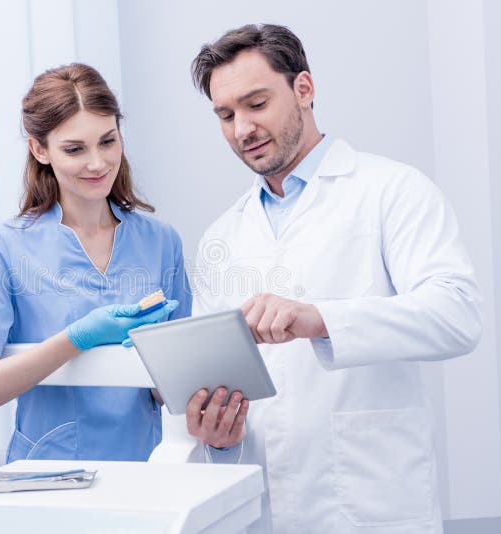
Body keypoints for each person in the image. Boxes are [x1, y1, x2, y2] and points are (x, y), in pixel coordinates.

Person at [184, 24, 482, 533]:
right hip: (264, 507)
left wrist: (319, 318)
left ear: (304, 89)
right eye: (226, 114)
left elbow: (457, 315)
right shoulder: (223, 234)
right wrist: (213, 431)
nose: (242, 129)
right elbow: (211, 371)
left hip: (370, 503)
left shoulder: (392, 190)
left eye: (257, 104)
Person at [0, 63, 190, 463]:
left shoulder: (161, 242)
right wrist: (77, 339)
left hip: (147, 471)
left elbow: (175, 385)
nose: (98, 163)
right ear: (39, 150)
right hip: (46, 477)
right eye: (75, 149)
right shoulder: (4, 248)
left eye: (108, 141)